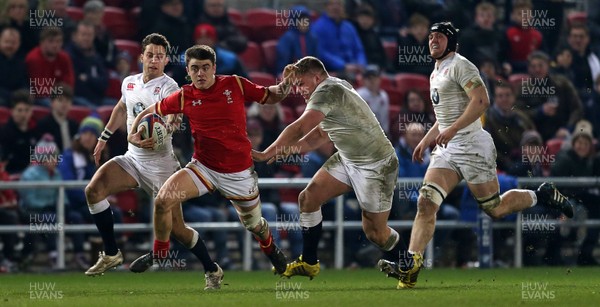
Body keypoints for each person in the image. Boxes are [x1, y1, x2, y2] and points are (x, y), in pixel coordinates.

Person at [376, 22, 574, 289]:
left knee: (494, 208)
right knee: (426, 201)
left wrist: (453, 130)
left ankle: (542, 195)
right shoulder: (435, 72)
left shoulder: (461, 65)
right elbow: (444, 117)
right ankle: (411, 265)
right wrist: (426, 139)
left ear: (452, 41)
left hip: (472, 145)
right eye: (431, 37)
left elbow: (481, 101)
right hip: (448, 149)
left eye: (439, 37)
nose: (433, 40)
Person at [127, 44, 294, 284]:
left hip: (239, 173)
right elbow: (151, 110)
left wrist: (286, 84)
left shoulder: (235, 84)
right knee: (163, 200)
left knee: (255, 226)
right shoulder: (185, 95)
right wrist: (132, 134)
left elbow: (271, 95)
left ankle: (270, 248)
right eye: (195, 69)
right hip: (203, 167)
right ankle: (160, 253)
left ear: (214, 68)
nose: (200, 74)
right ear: (188, 70)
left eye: (205, 68)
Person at [82, 34, 217, 291]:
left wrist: (164, 130)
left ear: (166, 60)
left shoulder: (170, 87)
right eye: (150, 54)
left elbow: (175, 117)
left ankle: (212, 269)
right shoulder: (129, 83)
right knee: (93, 190)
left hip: (162, 166)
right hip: (133, 159)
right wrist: (103, 138)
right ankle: (111, 253)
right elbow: (122, 108)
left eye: (160, 56)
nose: (154, 59)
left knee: (178, 230)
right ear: (141, 57)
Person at [252, 56, 402, 280]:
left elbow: (300, 126)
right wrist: (288, 150)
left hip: (376, 164)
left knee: (376, 234)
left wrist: (266, 152)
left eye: (301, 83)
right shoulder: (335, 87)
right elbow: (320, 134)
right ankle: (309, 262)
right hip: (348, 158)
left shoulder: (326, 91)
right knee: (308, 198)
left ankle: (408, 261)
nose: (299, 90)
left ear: (316, 77)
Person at [551, 120, 600, 266]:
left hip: (579, 198)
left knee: (595, 210)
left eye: (586, 144)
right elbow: (556, 185)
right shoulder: (565, 159)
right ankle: (556, 256)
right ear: (574, 143)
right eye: (580, 142)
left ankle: (585, 252)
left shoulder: (589, 161)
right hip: (562, 199)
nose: (582, 146)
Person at [312, 0, 367, 75]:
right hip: (332, 72)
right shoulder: (317, 27)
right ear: (326, 7)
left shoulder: (349, 27)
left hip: (354, 70)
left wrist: (361, 63)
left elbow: (359, 49)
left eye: (339, 4)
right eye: (332, 4)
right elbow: (320, 52)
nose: (336, 7)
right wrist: (343, 65)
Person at [25, 28, 75, 106]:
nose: (55, 45)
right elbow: (39, 88)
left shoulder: (64, 57)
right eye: (51, 41)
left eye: (58, 41)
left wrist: (62, 94)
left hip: (62, 96)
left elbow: (69, 83)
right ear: (41, 42)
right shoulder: (33, 58)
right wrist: (59, 92)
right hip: (40, 98)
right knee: (59, 105)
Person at [65, 21, 109, 107]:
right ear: (74, 36)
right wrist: (94, 81)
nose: (86, 38)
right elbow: (77, 86)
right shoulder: (68, 56)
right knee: (97, 111)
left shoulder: (96, 57)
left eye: (89, 35)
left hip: (98, 99)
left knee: (121, 109)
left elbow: (104, 83)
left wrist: (87, 78)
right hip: (77, 99)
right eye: (83, 35)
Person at [0, 90, 37, 175]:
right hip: (11, 176)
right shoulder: (4, 133)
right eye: (19, 110)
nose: (23, 114)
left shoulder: (36, 132)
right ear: (12, 111)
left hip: (32, 176)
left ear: (31, 111)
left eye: (27, 110)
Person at [276, 5, 319, 75]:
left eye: (306, 20)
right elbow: (283, 59)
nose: (304, 23)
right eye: (301, 20)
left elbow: (316, 58)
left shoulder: (312, 38)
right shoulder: (288, 38)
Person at [34, 84, 78, 152]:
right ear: (52, 102)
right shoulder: (43, 125)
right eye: (60, 100)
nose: (64, 104)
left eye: (67, 101)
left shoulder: (74, 124)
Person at [356, 64, 390, 136]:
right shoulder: (359, 95)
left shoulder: (384, 96)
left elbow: (384, 118)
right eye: (369, 78)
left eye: (374, 78)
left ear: (379, 79)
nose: (372, 81)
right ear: (364, 80)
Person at [0, 26, 28, 106]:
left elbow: (23, 82)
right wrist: (13, 96)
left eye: (13, 43)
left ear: (19, 44)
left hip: (16, 97)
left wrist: (25, 93)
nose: (9, 45)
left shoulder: (20, 62)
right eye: (7, 42)